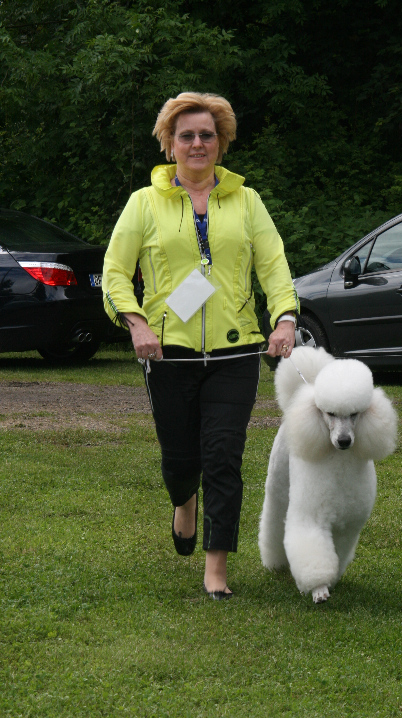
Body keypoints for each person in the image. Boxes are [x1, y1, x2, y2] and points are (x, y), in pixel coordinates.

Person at [103, 92, 298, 600]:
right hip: (167, 353)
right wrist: (136, 323)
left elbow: (273, 266)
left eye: (206, 135)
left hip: (236, 353)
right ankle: (182, 499)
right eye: (186, 135)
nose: (196, 143)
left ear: (221, 142)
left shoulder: (247, 201)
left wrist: (285, 317)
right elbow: (114, 274)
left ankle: (217, 571)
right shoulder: (143, 204)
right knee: (180, 458)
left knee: (223, 457)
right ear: (170, 144)